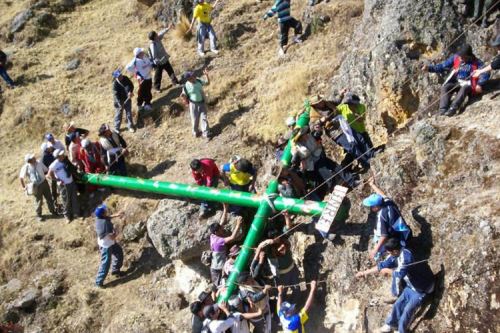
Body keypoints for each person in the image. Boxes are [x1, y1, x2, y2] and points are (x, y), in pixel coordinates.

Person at [356, 238, 435, 333]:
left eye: (389, 252)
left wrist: (388, 271)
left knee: (407, 311)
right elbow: (382, 265)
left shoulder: (407, 256)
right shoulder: (395, 254)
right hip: (411, 286)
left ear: (395, 251)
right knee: (398, 304)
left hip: (421, 288)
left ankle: (401, 331)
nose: (389, 255)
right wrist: (364, 273)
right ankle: (390, 325)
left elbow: (399, 273)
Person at [422, 43, 490, 116]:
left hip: (470, 85)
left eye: (462, 56)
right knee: (446, 87)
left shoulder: (477, 62)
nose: (460, 57)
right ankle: (443, 109)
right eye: (460, 55)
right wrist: (429, 68)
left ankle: (453, 108)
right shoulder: (456, 58)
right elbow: (442, 66)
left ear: (468, 56)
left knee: (464, 88)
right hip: (458, 82)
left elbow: (485, 72)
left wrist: (479, 84)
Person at [362, 178, 412, 262]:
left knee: (381, 245)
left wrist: (375, 250)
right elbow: (382, 194)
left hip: (398, 237)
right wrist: (372, 185)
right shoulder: (388, 202)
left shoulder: (382, 216)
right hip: (404, 230)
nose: (370, 208)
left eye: (371, 206)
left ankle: (393, 254)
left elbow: (384, 236)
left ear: (376, 207)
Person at [209, 205, 243, 286]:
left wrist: (225, 208)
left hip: (219, 265)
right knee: (220, 285)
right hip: (217, 269)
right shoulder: (219, 241)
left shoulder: (213, 235)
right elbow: (232, 237)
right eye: (221, 229)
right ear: (216, 232)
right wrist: (238, 224)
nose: (223, 229)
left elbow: (222, 222)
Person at [94, 204, 126, 288]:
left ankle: (115, 270)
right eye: (105, 211)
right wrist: (118, 230)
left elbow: (108, 217)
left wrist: (117, 215)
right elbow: (112, 237)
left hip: (108, 242)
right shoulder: (105, 225)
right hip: (106, 246)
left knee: (119, 253)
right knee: (105, 264)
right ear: (103, 214)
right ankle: (98, 282)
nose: (106, 211)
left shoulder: (99, 218)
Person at [19, 153, 56, 221]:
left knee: (49, 197)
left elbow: (46, 170)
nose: (34, 158)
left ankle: (53, 211)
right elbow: (21, 178)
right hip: (35, 185)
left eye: (34, 157)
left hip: (44, 183)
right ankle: (38, 215)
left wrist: (49, 176)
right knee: (38, 200)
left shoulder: (39, 163)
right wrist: (24, 187)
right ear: (29, 161)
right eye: (32, 158)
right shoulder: (26, 167)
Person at [47, 149, 80, 223]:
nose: (63, 155)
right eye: (61, 155)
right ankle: (67, 216)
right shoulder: (54, 165)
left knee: (74, 197)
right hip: (64, 185)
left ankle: (76, 213)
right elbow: (49, 175)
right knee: (66, 201)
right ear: (57, 157)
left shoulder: (66, 160)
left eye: (62, 154)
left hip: (71, 182)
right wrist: (57, 180)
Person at [181, 70, 211, 140]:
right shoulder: (186, 86)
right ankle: (196, 132)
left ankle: (206, 133)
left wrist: (207, 75)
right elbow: (184, 96)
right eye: (192, 77)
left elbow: (207, 83)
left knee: (204, 118)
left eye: (194, 75)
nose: (194, 77)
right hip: (193, 104)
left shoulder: (198, 80)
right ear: (189, 79)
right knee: (195, 119)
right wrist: (184, 98)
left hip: (202, 102)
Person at [126, 47, 154, 112]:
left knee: (148, 90)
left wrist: (152, 65)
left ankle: (147, 103)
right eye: (141, 52)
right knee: (142, 92)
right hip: (142, 79)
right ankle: (140, 105)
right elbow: (128, 67)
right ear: (138, 54)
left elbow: (149, 63)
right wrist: (136, 72)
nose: (143, 52)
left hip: (149, 77)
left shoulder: (145, 57)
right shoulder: (135, 61)